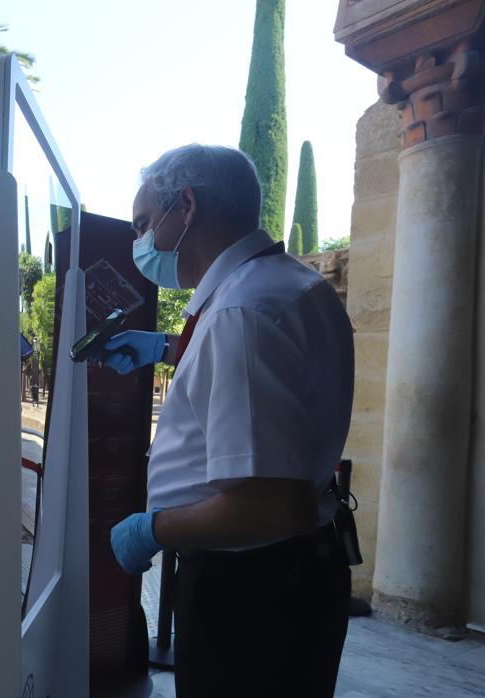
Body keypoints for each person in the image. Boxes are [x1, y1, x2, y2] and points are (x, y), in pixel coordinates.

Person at [103, 145, 353, 697]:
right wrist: (170, 347)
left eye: (144, 224)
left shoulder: (242, 312)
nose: (139, 243)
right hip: (291, 577)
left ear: (185, 206)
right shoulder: (284, 285)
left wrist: (152, 528)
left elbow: (268, 505)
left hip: (250, 589)